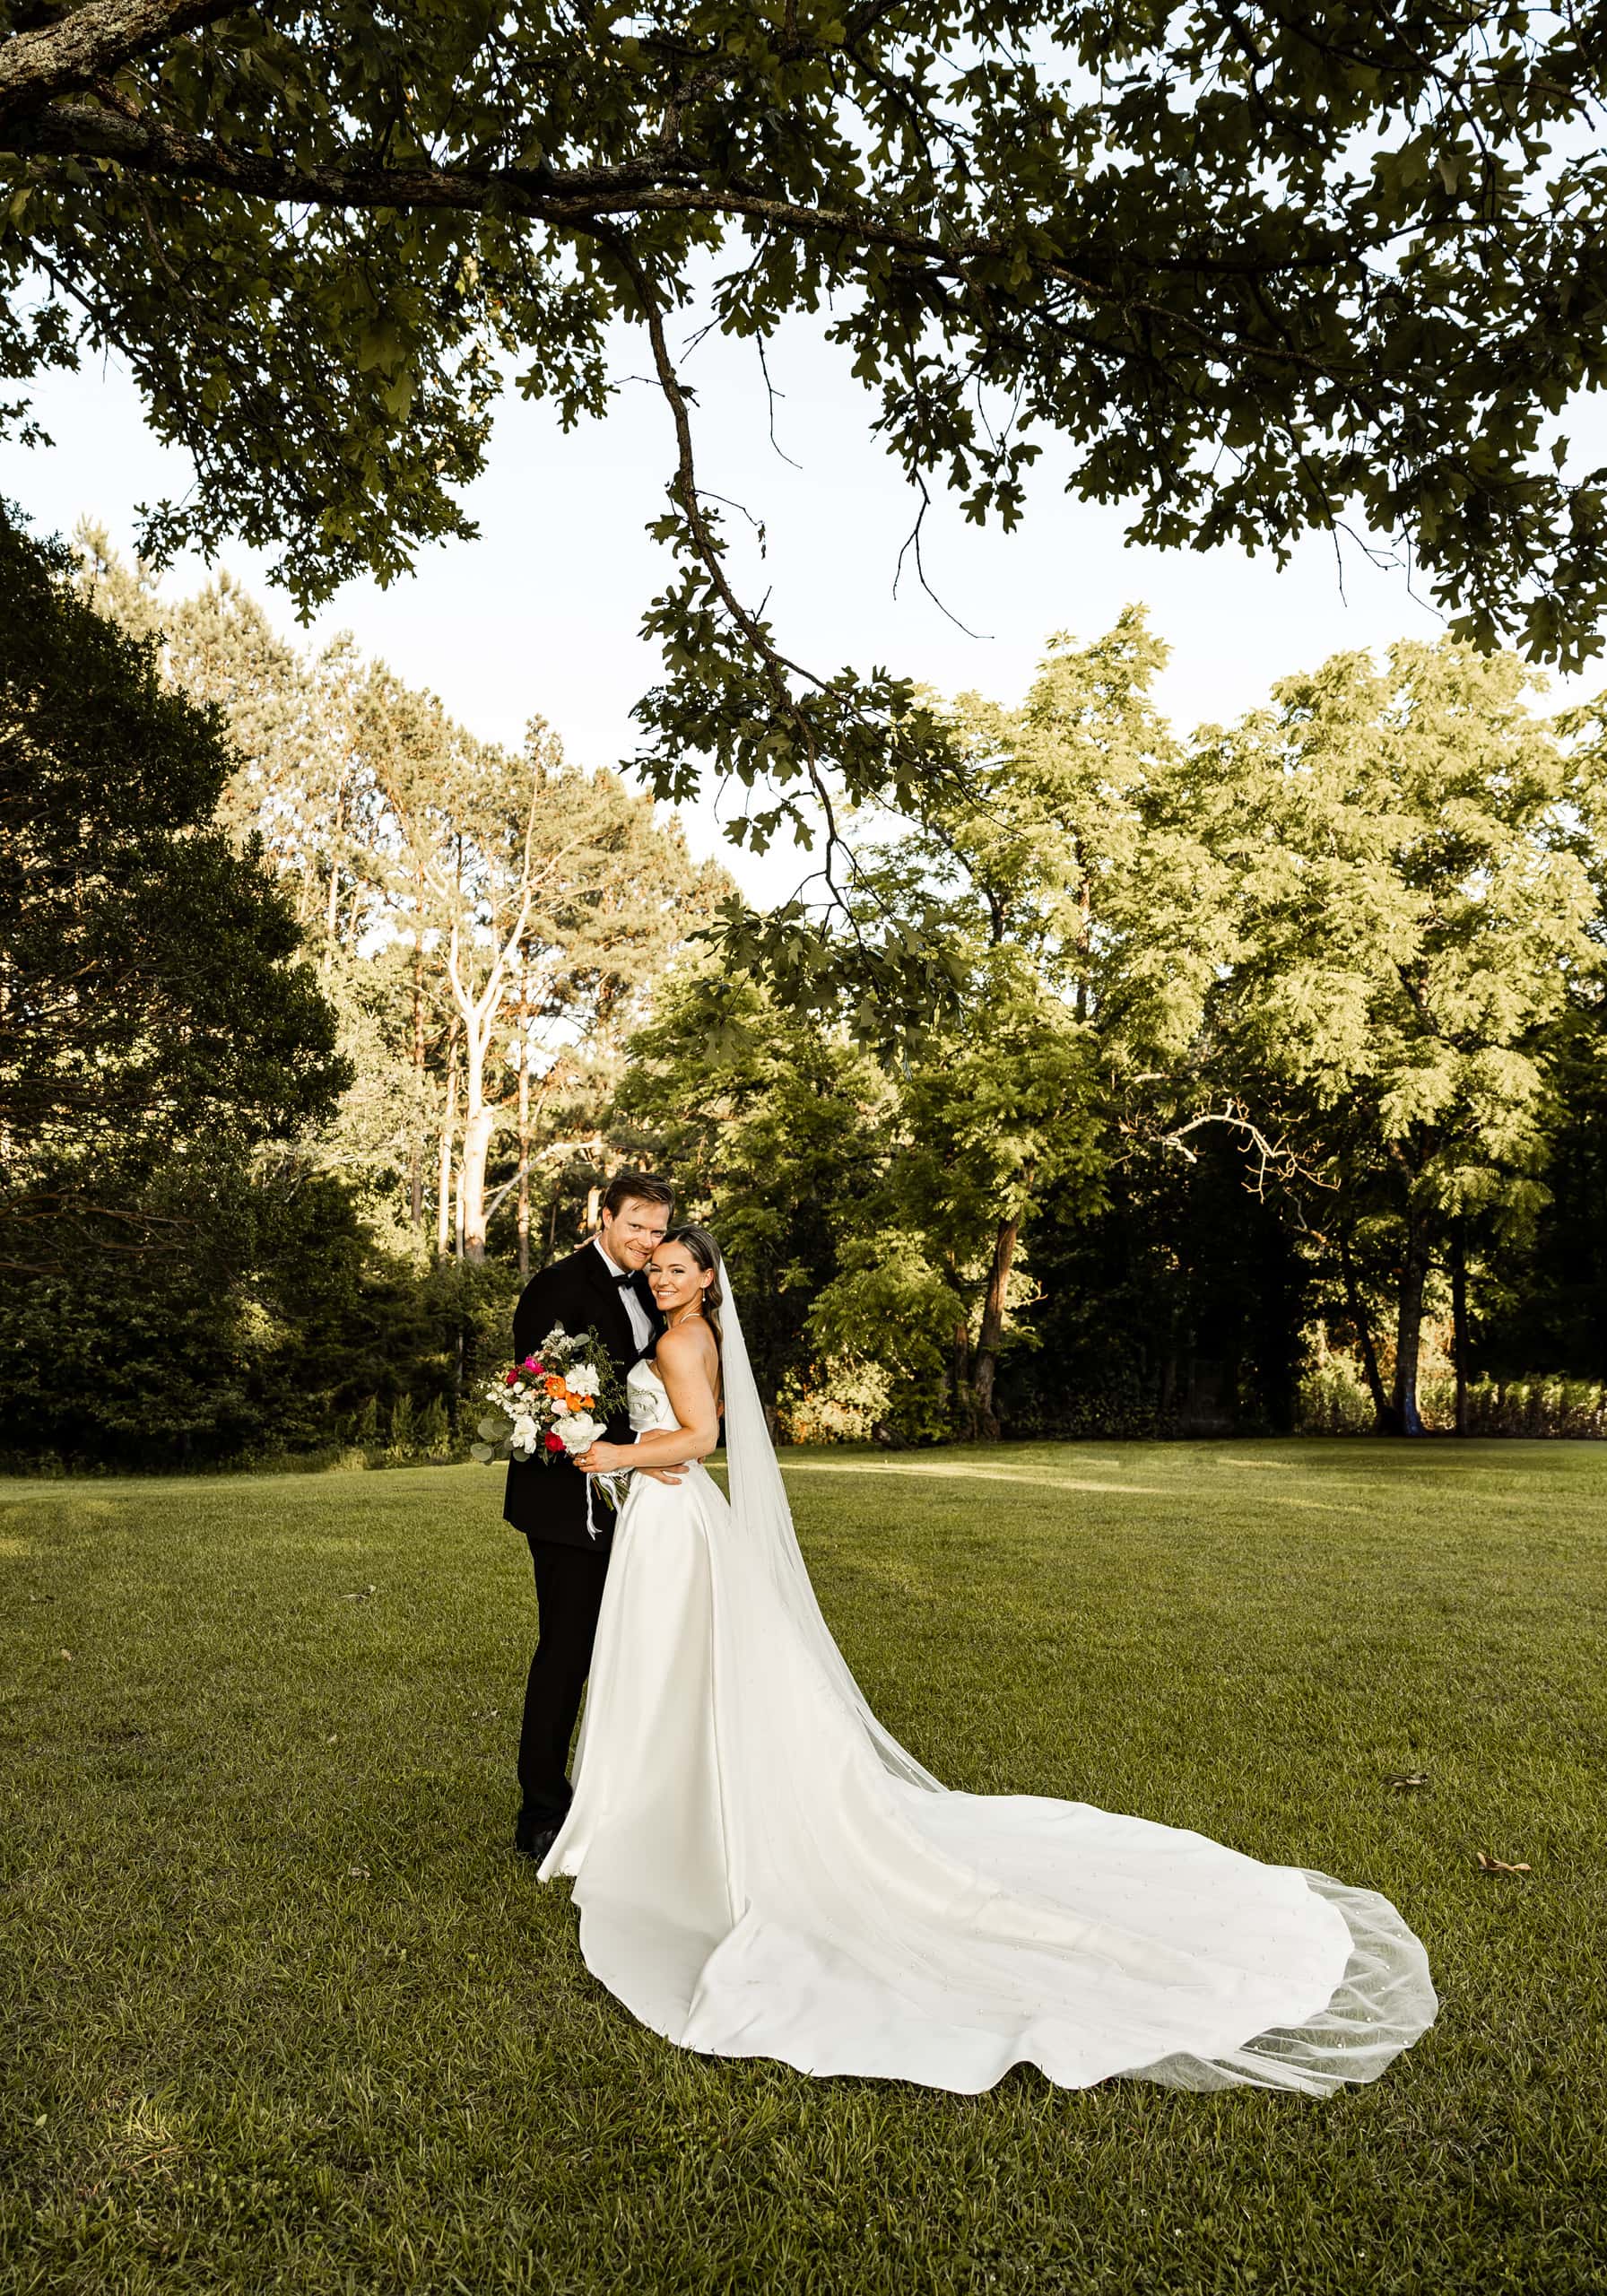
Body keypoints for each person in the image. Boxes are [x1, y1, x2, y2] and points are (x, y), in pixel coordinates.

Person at [548, 1227, 1439, 2097]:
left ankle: (673, 1826)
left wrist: (618, 1451)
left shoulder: (685, 1337)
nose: (662, 1277)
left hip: (675, 1515)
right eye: (656, 1266)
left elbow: (700, 1438)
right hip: (666, 1519)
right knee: (681, 1675)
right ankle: (663, 1811)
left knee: (678, 1672)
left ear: (706, 1279)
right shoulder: (671, 1333)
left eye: (677, 1267)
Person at [503, 1171, 679, 1862]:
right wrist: (641, 1450)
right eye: (635, 1225)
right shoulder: (557, 1287)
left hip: (637, 1501)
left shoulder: (658, 1288)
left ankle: (626, 1794)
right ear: (602, 1217)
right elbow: (544, 1397)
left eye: (658, 1229)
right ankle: (542, 1810)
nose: (646, 1240)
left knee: (632, 1647)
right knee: (566, 1652)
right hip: (567, 1505)